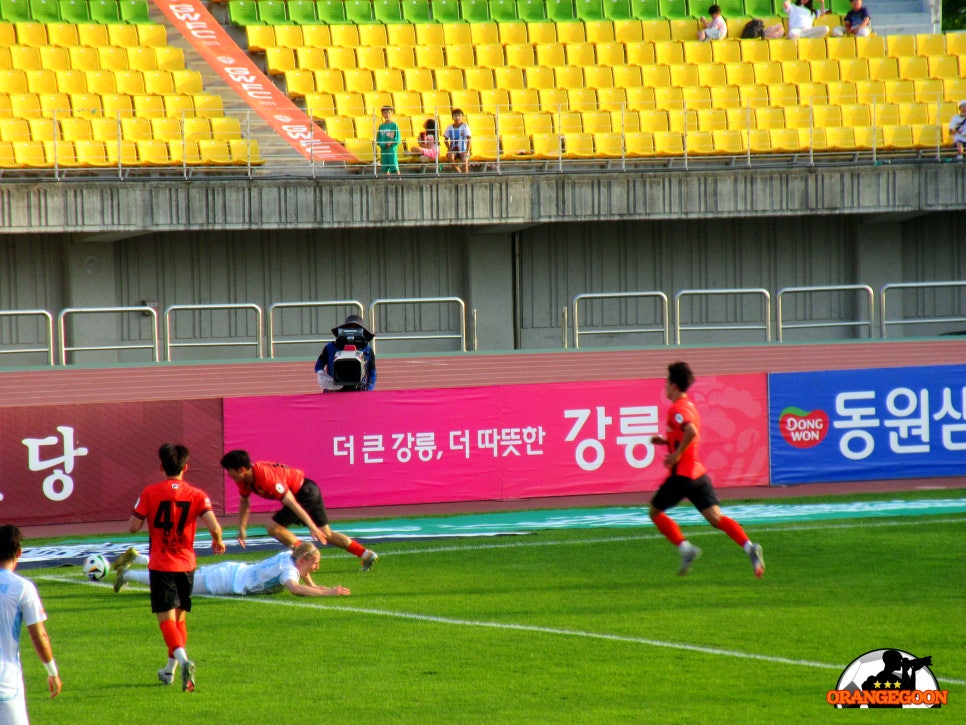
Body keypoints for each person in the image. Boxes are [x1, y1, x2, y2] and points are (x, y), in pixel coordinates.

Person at [648, 362, 765, 578]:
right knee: (715, 518)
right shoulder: (689, 406)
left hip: (681, 475)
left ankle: (686, 549)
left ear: (674, 385)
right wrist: (666, 442)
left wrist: (676, 455)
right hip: (697, 475)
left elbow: (690, 432)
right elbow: (685, 434)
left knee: (654, 511)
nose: (665, 386)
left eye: (666, 382)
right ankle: (750, 547)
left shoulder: (677, 409)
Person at [128, 443, 226, 692]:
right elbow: (214, 526)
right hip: (186, 564)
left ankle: (183, 661)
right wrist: (217, 540)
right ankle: (169, 672)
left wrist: (144, 508)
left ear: (161, 467)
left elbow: (132, 527)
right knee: (180, 619)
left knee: (166, 621)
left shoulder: (150, 492)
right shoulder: (197, 494)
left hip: (161, 565)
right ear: (186, 467)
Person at [220, 450, 379, 571]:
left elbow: (293, 504)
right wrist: (241, 528)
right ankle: (365, 554)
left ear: (241, 469)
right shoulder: (244, 479)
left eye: (230, 471)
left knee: (273, 527)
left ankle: (305, 555)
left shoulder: (266, 478)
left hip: (304, 493)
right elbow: (245, 502)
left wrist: (311, 527)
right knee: (327, 534)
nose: (229, 475)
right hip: (309, 489)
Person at [114, 543, 351, 598]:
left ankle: (143, 558)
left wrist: (318, 586)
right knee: (174, 584)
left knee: (182, 573)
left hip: (232, 570)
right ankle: (127, 574)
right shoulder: (289, 572)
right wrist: (328, 593)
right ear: (304, 559)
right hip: (226, 583)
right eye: (315, 562)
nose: (316, 567)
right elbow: (295, 588)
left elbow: (304, 575)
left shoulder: (287, 556)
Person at [0, 525, 61, 724]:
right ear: (19, 552)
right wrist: (52, 672)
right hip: (5, 683)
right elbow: (39, 636)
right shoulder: (22, 588)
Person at [314, 314, 376, 392]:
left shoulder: (367, 350)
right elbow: (318, 366)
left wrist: (368, 390)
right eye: (350, 327)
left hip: (359, 392)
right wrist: (324, 379)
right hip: (333, 392)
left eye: (356, 328)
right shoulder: (330, 348)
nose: (352, 331)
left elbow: (372, 375)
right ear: (344, 329)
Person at [444, 108, 472, 173]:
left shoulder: (465, 126)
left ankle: (465, 176)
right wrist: (449, 148)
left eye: (459, 116)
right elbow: (445, 140)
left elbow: (469, 139)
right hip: (454, 149)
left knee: (464, 159)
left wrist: (467, 150)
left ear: (462, 117)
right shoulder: (449, 127)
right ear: (452, 117)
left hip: (463, 149)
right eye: (455, 116)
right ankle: (459, 172)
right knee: (450, 156)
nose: (457, 118)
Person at [375, 105, 400, 176]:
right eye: (385, 113)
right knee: (385, 168)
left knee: (395, 166)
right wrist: (382, 145)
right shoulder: (381, 126)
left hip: (391, 149)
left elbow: (397, 138)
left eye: (388, 113)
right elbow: (379, 139)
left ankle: (400, 179)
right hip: (384, 150)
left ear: (392, 113)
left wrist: (391, 142)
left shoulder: (394, 125)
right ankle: (387, 181)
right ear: (382, 114)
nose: (387, 115)